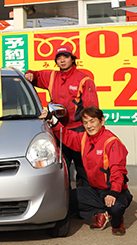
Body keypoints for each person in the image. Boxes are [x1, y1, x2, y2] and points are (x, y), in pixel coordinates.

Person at [46, 106, 132, 236]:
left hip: (114, 190)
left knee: (116, 207)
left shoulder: (111, 142)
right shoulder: (84, 138)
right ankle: (101, 212)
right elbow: (68, 136)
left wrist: (113, 193)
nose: (89, 125)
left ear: (102, 121)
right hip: (95, 191)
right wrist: (52, 120)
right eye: (85, 122)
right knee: (65, 200)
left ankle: (117, 220)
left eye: (92, 121)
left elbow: (118, 170)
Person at [25, 46, 98, 187]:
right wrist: (29, 74)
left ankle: (85, 204)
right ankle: (67, 204)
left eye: (65, 56)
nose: (62, 60)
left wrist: (91, 133)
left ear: (73, 58)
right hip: (59, 130)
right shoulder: (52, 77)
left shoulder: (84, 80)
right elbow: (35, 76)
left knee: (83, 171)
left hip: (79, 132)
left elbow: (92, 110)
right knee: (61, 171)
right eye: (59, 58)